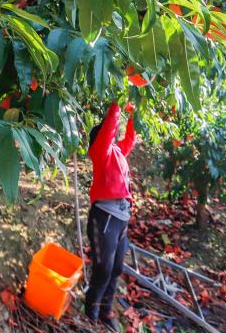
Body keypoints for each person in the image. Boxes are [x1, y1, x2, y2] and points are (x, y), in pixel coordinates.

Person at [84, 101, 137, 331]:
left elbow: (129, 140)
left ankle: (106, 310)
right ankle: (91, 311)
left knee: (116, 268)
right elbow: (108, 132)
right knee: (103, 267)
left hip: (122, 219)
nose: (112, 139)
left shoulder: (117, 152)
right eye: (108, 137)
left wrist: (133, 115)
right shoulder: (100, 152)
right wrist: (116, 107)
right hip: (104, 216)